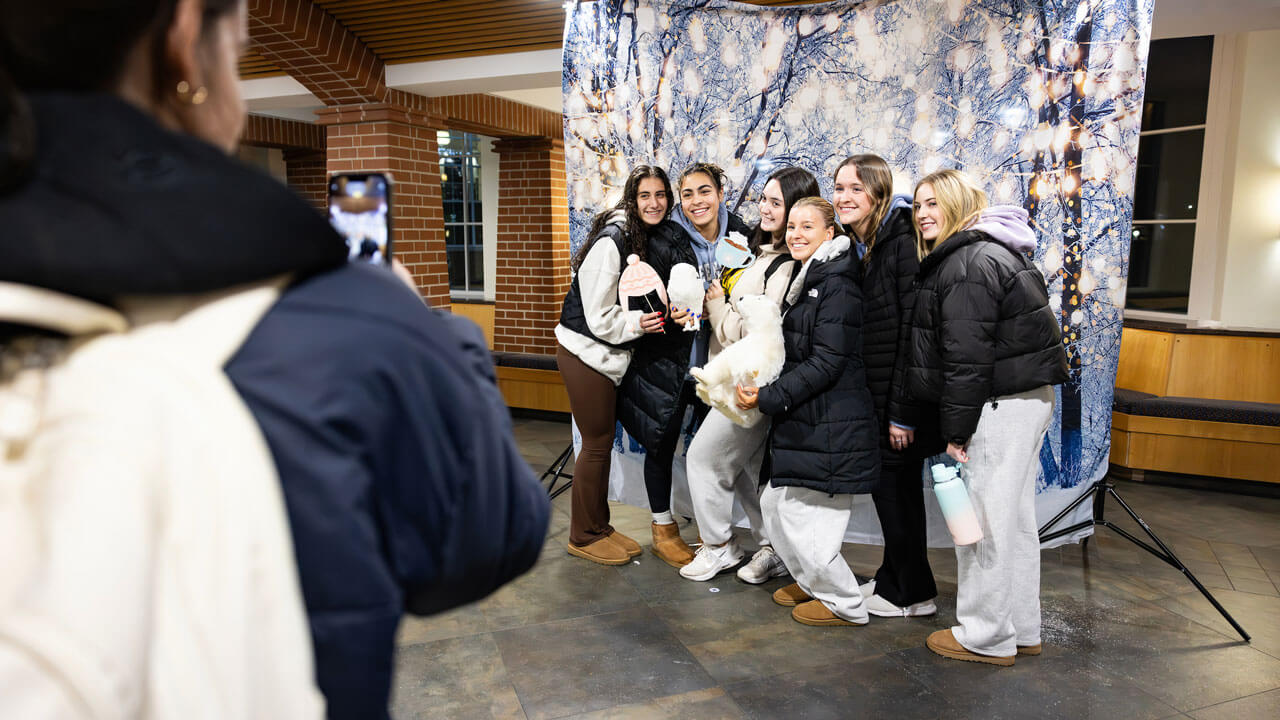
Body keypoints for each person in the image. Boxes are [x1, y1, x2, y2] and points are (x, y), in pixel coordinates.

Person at [0, 2, 550, 717]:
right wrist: (441, 337)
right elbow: (489, 539)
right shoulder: (346, 321)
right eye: (236, 51)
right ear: (184, 40)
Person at [904, 169, 1068, 665]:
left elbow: (967, 357)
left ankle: (985, 635)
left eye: (934, 203)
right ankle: (1021, 628)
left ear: (959, 206)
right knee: (1013, 521)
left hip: (998, 405)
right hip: (1024, 401)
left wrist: (955, 431)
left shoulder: (968, 262)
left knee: (983, 523)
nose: (923, 213)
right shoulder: (992, 252)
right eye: (918, 205)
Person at [736, 197, 881, 627]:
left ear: (829, 234)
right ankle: (815, 584)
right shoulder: (811, 276)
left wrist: (768, 397)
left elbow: (826, 362)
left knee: (803, 517)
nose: (797, 234)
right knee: (775, 504)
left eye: (808, 227)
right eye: (793, 226)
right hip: (809, 418)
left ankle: (844, 602)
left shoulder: (837, 283)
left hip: (831, 421)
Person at [679, 167, 818, 583]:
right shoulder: (762, 253)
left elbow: (757, 331)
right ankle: (771, 548)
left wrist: (719, 306)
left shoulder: (788, 267)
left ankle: (719, 546)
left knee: (705, 458)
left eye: (777, 202)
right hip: (737, 379)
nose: (766, 209)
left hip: (752, 382)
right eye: (764, 200)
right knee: (746, 470)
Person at [614, 162, 745, 568]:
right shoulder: (662, 236)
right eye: (687, 194)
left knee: (718, 451)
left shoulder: (742, 236)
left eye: (704, 192)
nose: (696, 202)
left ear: (720, 194)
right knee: (662, 441)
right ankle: (662, 528)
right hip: (671, 361)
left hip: (722, 362)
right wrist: (663, 310)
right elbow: (638, 293)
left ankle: (717, 534)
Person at [833, 154, 942, 616]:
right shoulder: (865, 245)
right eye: (838, 188)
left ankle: (913, 594)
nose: (843, 197)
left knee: (898, 496)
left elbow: (911, 333)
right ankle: (893, 576)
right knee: (890, 494)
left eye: (855, 189)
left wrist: (902, 412)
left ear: (877, 193)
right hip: (877, 396)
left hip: (898, 402)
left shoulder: (899, 242)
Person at [556, 164, 673, 566]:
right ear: (631, 198)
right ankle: (583, 535)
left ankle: (599, 525)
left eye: (660, 195)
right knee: (596, 443)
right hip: (584, 354)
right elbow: (597, 315)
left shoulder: (638, 235)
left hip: (602, 357)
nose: (654, 203)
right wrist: (639, 323)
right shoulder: (613, 240)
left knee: (600, 442)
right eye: (645, 196)